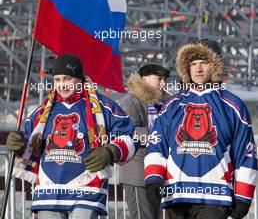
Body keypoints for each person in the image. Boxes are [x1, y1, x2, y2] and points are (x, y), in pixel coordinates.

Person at [6, 54, 138, 219]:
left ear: (79, 78)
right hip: (49, 193)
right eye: (57, 79)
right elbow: (29, 143)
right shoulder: (43, 111)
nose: (62, 85)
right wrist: (18, 144)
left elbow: (130, 137)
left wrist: (110, 152)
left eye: (67, 79)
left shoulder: (103, 106)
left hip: (87, 190)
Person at [144, 41, 257, 219]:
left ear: (215, 65)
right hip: (177, 195)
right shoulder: (171, 106)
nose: (198, 69)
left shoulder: (233, 106)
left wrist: (243, 197)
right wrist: (153, 179)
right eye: (193, 63)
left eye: (204, 62)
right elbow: (157, 146)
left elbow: (246, 154)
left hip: (215, 196)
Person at [118, 63, 170, 219]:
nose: (163, 84)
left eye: (165, 80)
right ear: (144, 79)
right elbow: (127, 132)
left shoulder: (162, 102)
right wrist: (159, 135)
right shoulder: (131, 101)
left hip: (157, 173)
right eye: (159, 79)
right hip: (137, 173)